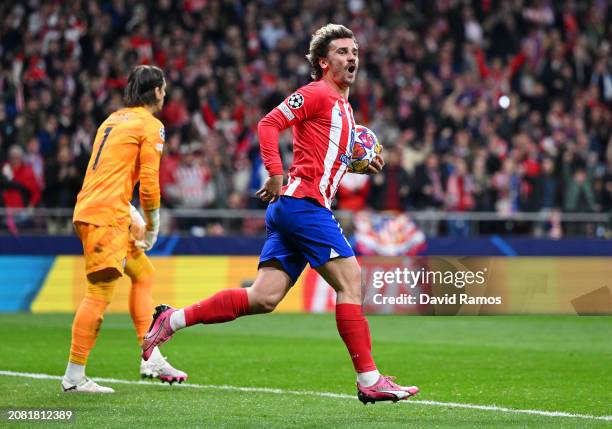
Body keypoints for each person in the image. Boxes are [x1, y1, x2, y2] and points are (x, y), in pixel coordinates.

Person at [142, 24, 419, 404]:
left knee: (263, 297)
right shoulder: (318, 93)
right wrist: (275, 171)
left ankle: (170, 320)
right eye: (341, 51)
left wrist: (353, 166)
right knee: (350, 281)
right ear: (323, 62)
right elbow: (268, 123)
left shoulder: (342, 106)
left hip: (292, 207)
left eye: (354, 51)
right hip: (302, 204)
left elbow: (320, 155)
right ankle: (369, 379)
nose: (351, 57)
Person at [62, 65, 186, 393]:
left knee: (143, 273)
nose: (165, 93)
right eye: (163, 87)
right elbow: (148, 185)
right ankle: (74, 377)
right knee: (99, 293)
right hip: (106, 217)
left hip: (100, 208)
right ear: (156, 91)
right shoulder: (151, 126)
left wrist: (132, 216)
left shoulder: (113, 119)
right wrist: (154, 225)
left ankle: (151, 357)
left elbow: (107, 174)